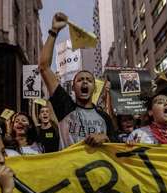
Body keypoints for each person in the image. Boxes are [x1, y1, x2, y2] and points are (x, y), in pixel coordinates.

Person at [39, 12, 117, 149]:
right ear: (74, 88)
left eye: (89, 80)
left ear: (94, 88)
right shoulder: (65, 106)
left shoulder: (104, 117)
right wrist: (54, 31)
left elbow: (117, 145)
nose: (85, 82)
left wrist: (105, 137)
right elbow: (44, 67)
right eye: (80, 80)